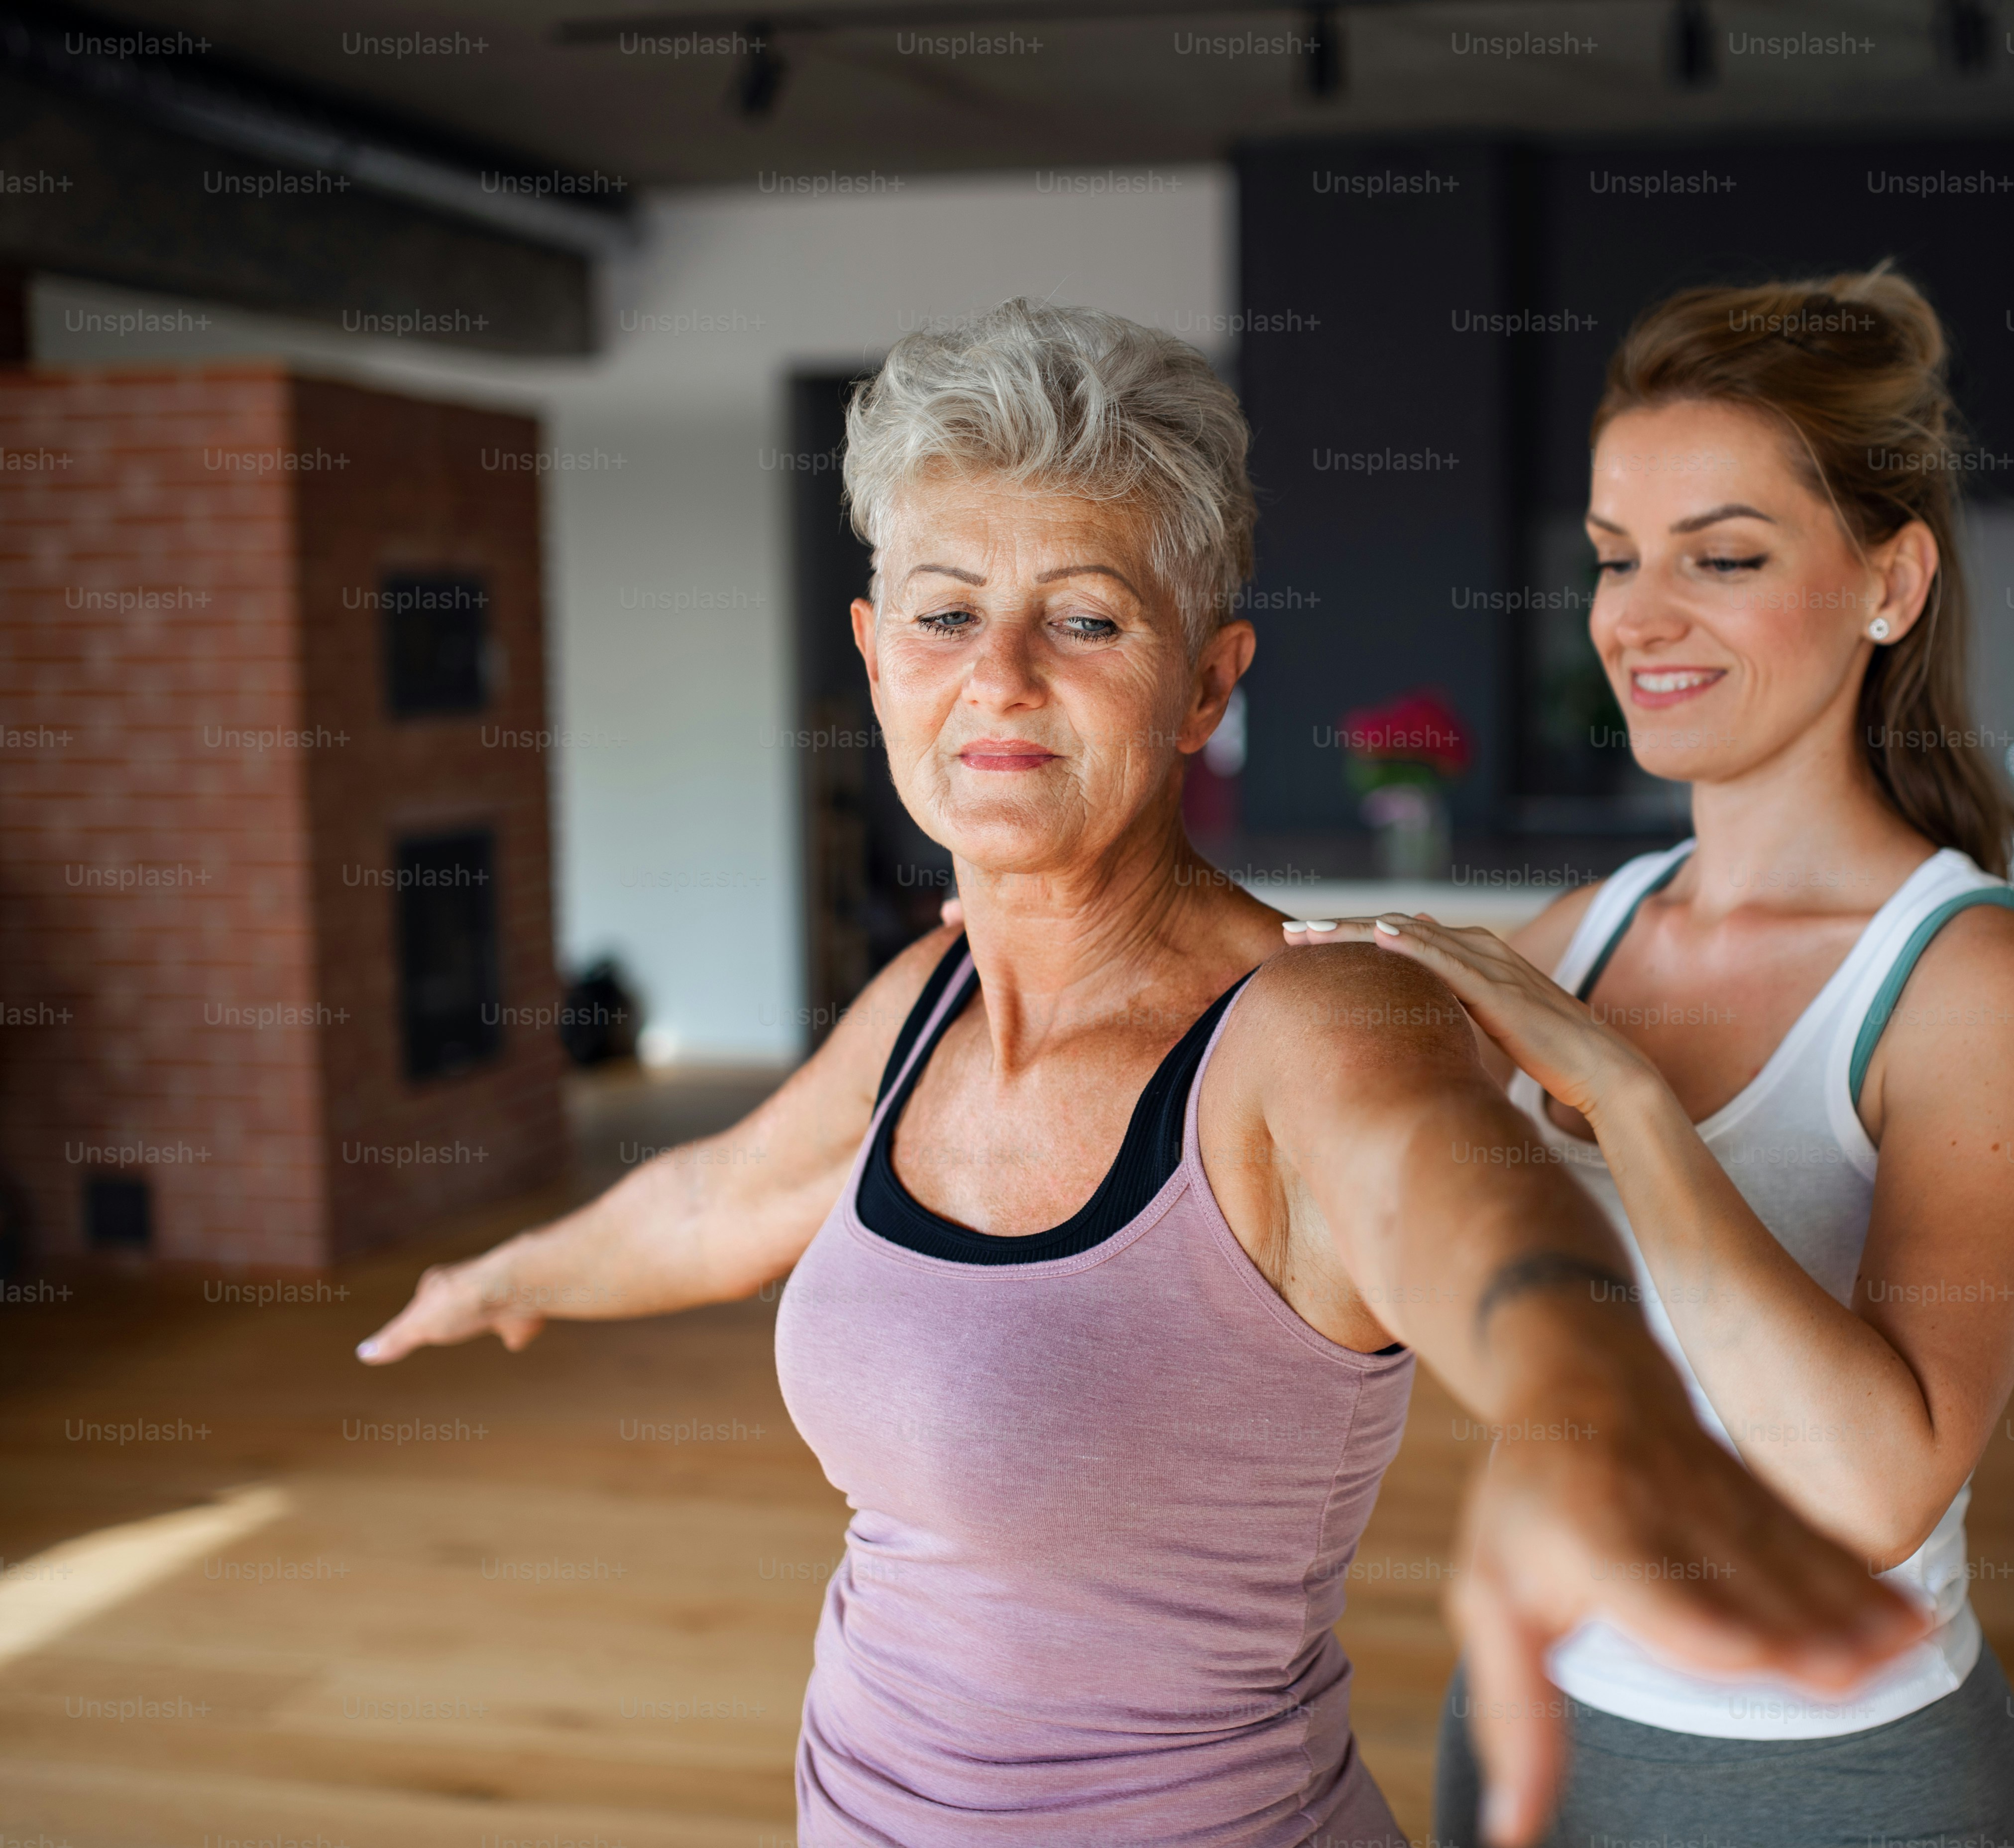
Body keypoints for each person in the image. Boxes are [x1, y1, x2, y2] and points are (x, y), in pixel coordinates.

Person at [357, 300, 1921, 1848]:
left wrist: (1588, 1410)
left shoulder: (1311, 1023)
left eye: (1087, 619)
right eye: (944, 612)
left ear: (1206, 684)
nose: (1001, 677)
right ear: (873, 652)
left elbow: (1459, 1202)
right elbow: (722, 1199)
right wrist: (510, 1273)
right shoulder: (926, 1000)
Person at [1293, 268, 2014, 1848]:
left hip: (1826, 1775)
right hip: (1529, 1716)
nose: (1635, 617)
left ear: (1889, 581)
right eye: (1611, 558)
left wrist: (1630, 1101)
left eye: (1720, 557)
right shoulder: (1591, 924)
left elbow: (1878, 1489)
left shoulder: (1964, 970)